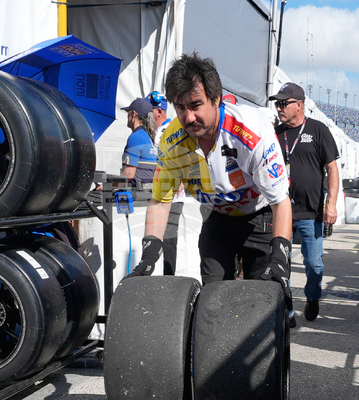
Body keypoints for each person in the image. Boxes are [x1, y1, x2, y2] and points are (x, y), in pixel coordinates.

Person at [127, 52, 295, 325]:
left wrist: (280, 258)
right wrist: (149, 255)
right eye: (180, 108)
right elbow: (160, 200)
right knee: (213, 298)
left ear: (216, 99)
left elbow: (281, 202)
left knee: (265, 300)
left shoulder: (251, 132)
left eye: (195, 105)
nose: (189, 117)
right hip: (220, 217)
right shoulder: (171, 140)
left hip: (261, 216)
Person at [270, 82, 339, 322]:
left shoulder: (318, 130)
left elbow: (332, 168)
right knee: (282, 263)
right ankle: (287, 309)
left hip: (310, 211)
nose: (279, 108)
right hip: (281, 210)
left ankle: (312, 296)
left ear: (299, 105)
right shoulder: (275, 134)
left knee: (314, 263)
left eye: (283, 103)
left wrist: (331, 204)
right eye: (277, 103)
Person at [147, 90, 183, 275]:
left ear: (159, 111)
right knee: (156, 236)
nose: (147, 115)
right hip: (161, 192)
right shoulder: (158, 131)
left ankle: (169, 276)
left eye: (150, 110)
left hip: (174, 194)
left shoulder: (173, 128)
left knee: (169, 239)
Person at [119, 97, 158, 194]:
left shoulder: (136, 137)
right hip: (149, 193)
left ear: (133, 114)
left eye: (128, 112)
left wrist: (108, 185)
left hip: (137, 194)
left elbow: (129, 174)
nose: (127, 116)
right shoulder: (149, 137)